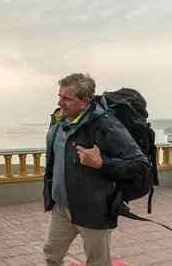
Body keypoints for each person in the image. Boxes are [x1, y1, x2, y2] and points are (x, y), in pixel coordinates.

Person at [42, 73, 150, 266]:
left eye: (66, 98)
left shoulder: (106, 125)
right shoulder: (58, 121)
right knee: (52, 255)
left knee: (98, 262)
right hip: (62, 207)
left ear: (84, 101)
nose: (60, 103)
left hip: (94, 210)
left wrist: (102, 164)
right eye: (59, 96)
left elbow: (141, 165)